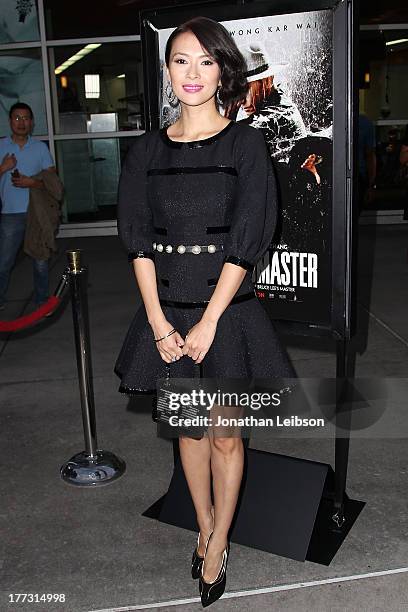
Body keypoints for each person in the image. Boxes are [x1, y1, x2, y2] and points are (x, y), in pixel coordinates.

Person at [114, 17, 295, 607]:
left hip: (228, 314)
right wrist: (161, 324)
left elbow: (250, 235)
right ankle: (204, 523)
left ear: (223, 70)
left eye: (205, 62)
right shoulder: (144, 149)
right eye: (180, 61)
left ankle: (218, 545)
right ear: (166, 71)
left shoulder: (245, 143)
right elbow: (137, 239)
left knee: (224, 436)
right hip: (167, 314)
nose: (191, 74)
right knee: (188, 434)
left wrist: (211, 319)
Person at [0, 102, 56, 310]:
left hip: (37, 214)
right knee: (4, 263)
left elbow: (53, 184)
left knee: (40, 262)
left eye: (25, 118)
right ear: (10, 122)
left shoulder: (40, 148)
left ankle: (41, 301)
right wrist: (4, 167)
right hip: (10, 215)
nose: (21, 122)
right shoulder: (2, 146)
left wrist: (32, 183)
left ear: (32, 122)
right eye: (17, 118)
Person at [358, 113, 376, 214]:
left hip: (359, 176)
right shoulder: (365, 123)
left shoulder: (364, 123)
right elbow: (370, 155)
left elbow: (370, 156)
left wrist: (371, 185)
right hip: (359, 175)